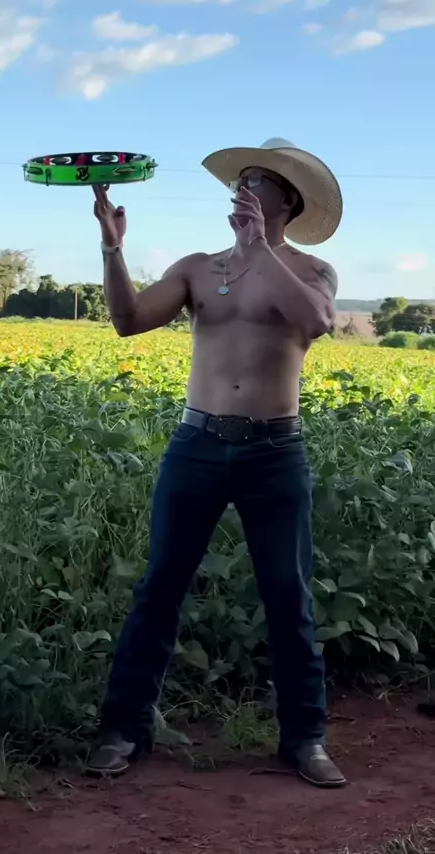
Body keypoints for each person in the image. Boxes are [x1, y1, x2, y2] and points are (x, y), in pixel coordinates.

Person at [86, 137, 346, 788]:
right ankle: (123, 729)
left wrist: (259, 250)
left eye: (256, 181)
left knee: (287, 595)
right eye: (241, 179)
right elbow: (127, 320)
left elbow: (315, 321)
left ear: (287, 201)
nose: (241, 188)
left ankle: (305, 738)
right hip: (196, 445)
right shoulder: (198, 269)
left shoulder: (313, 271)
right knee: (159, 589)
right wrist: (113, 249)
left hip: (274, 452)